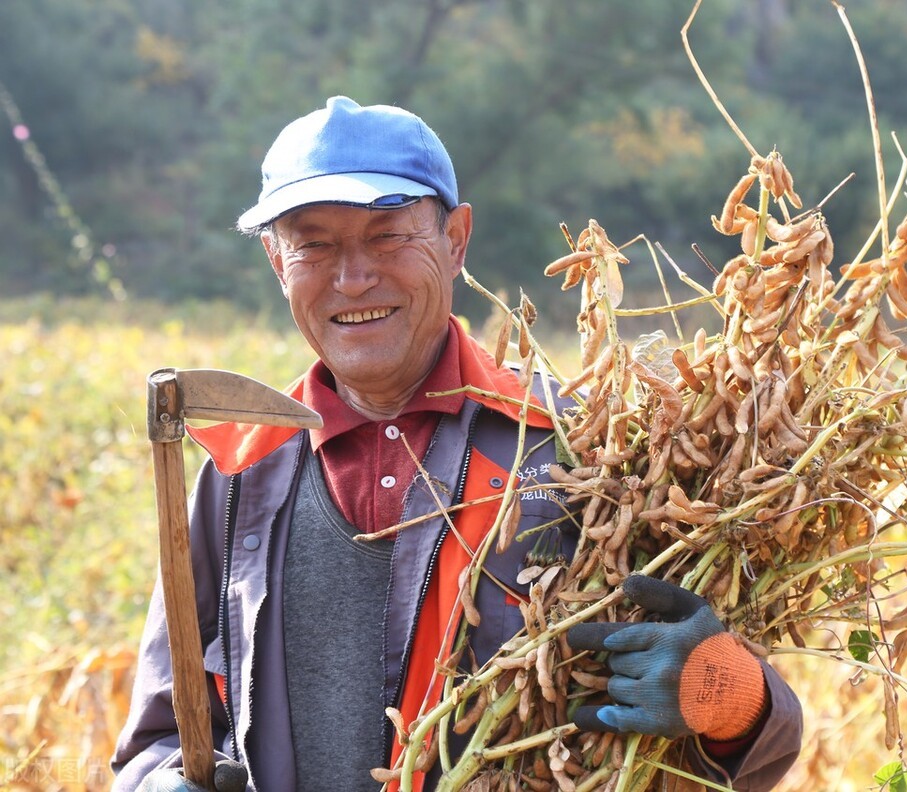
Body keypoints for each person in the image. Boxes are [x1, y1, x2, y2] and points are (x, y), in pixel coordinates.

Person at [112, 96, 803, 792]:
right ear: (276, 261)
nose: (353, 278)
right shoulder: (241, 474)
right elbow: (158, 737)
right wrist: (161, 783)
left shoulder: (583, 450)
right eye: (313, 245)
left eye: (388, 235)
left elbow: (759, 747)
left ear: (456, 240)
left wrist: (731, 699)